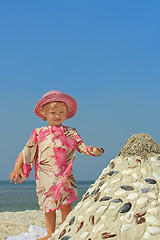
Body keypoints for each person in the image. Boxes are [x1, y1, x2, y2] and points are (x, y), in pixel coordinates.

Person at [9, 90, 104, 240]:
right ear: (44, 114)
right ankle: (50, 233)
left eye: (61, 112)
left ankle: (66, 230)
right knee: (48, 206)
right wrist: (17, 168)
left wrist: (93, 151)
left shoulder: (71, 132)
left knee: (65, 203)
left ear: (66, 113)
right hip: (45, 177)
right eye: (53, 112)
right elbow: (26, 151)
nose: (58, 116)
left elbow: (82, 147)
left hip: (64, 175)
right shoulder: (39, 133)